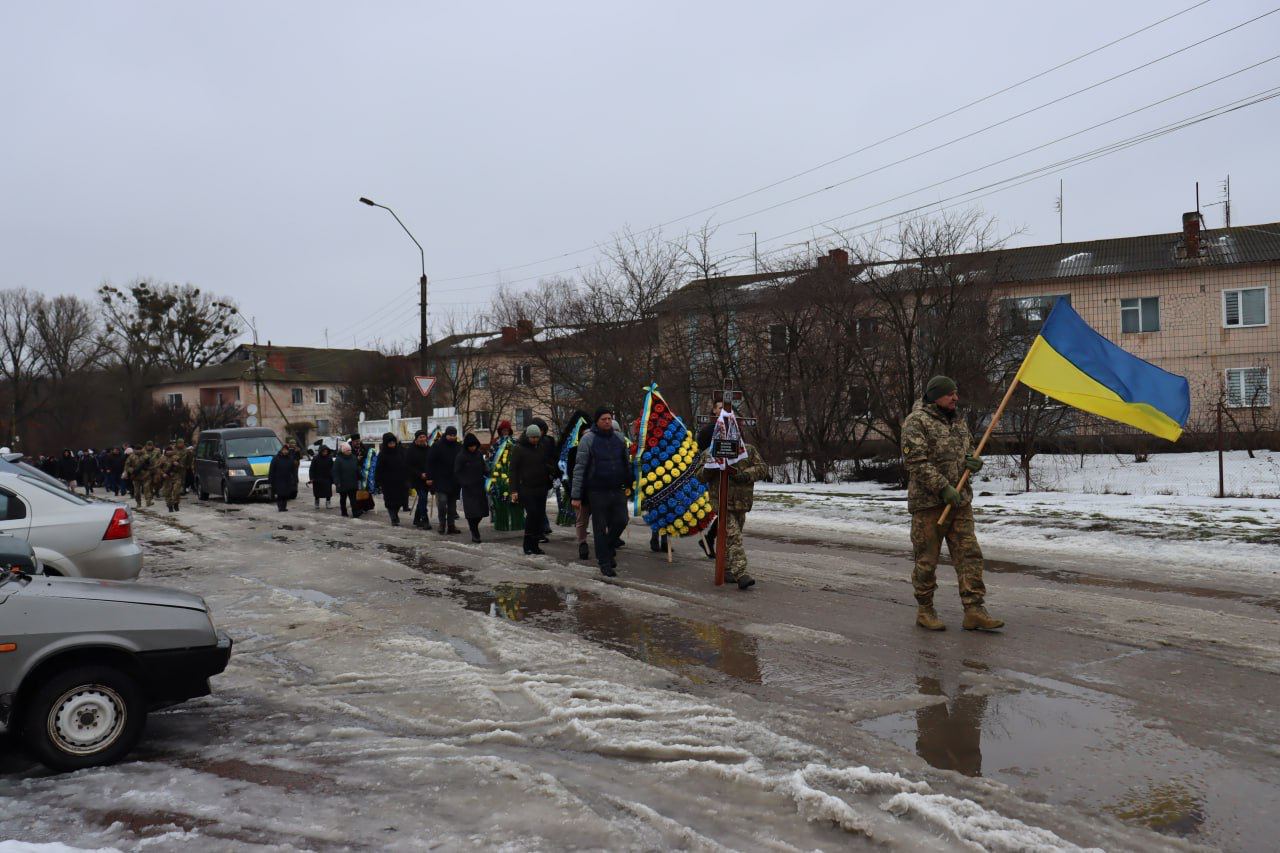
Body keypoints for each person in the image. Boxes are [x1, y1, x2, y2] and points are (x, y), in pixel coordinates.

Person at [901, 375, 1003, 633]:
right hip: (928, 505)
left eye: (956, 393)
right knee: (927, 559)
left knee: (970, 555)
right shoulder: (916, 422)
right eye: (950, 394)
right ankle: (925, 610)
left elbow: (969, 450)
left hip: (960, 502)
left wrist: (973, 462)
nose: (955, 398)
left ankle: (974, 610)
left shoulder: (958, 421)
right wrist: (943, 487)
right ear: (936, 396)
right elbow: (916, 462)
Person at [699, 432, 769, 590]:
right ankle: (741, 573)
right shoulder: (711, 453)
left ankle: (726, 569)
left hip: (741, 503)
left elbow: (762, 469)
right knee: (734, 536)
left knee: (729, 537)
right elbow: (700, 476)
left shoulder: (748, 451)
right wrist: (711, 469)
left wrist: (744, 475)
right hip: (722, 503)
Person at [571, 406, 631, 578]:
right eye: (603, 419)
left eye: (609, 418)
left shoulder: (619, 438)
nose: (607, 421)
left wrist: (629, 482)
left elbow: (625, 462)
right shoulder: (588, 439)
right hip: (597, 491)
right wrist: (576, 495)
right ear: (597, 421)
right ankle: (604, 562)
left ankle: (608, 547)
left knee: (621, 520)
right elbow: (580, 468)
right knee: (600, 527)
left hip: (616, 488)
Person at [510, 424, 557, 555]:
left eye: (537, 437)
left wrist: (551, 470)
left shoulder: (541, 447)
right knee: (532, 514)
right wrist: (513, 490)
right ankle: (527, 544)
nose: (535, 440)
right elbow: (513, 470)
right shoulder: (519, 449)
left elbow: (545, 463)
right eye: (533, 437)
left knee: (539, 516)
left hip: (541, 487)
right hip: (526, 488)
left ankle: (535, 544)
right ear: (528, 436)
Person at [696, 400, 724, 559]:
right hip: (713, 475)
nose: (723, 410)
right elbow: (702, 453)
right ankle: (709, 539)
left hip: (729, 475)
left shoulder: (732, 427)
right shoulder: (707, 430)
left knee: (725, 512)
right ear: (714, 410)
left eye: (726, 408)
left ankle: (710, 538)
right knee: (721, 510)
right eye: (719, 408)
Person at [454, 432, 490, 543]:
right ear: (466, 446)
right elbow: (457, 472)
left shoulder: (479, 454)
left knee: (481, 512)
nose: (473, 448)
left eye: (474, 446)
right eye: (470, 446)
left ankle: (474, 527)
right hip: (468, 488)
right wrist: (463, 482)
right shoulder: (461, 456)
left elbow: (484, 467)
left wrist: (489, 473)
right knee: (471, 512)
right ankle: (474, 532)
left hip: (479, 486)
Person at [428, 426, 462, 534]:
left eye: (454, 435)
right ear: (446, 435)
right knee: (442, 503)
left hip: (454, 480)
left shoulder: (459, 447)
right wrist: (430, 477)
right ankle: (442, 524)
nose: (452, 437)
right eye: (450, 435)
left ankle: (451, 525)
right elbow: (430, 462)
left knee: (452, 506)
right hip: (440, 479)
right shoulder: (437, 446)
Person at [531, 418, 558, 541]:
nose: (539, 432)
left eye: (541, 430)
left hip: (545, 476)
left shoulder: (547, 441)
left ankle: (542, 527)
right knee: (536, 505)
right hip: (533, 479)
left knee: (540, 505)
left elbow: (553, 457)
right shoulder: (529, 443)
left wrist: (552, 470)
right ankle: (541, 528)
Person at [374, 432, 409, 526]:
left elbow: (406, 464)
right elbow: (378, 469)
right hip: (388, 482)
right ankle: (393, 517)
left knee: (400, 501)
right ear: (386, 443)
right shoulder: (382, 454)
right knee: (390, 501)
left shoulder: (400, 451)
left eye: (393, 442)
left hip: (400, 481)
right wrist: (378, 481)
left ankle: (395, 513)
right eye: (390, 443)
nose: (392, 445)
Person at [564, 439, 590, 560]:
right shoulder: (574, 451)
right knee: (581, 519)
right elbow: (573, 473)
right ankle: (582, 542)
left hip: (596, 491)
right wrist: (574, 495)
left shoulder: (598, 447)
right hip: (581, 492)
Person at [407, 430, 433, 527]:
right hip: (416, 479)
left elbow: (432, 463)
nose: (422, 439)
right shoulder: (411, 450)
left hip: (427, 478)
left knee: (423, 499)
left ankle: (416, 519)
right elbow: (408, 466)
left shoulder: (429, 449)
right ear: (416, 438)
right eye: (420, 437)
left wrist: (430, 475)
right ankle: (424, 519)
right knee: (423, 498)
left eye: (424, 437)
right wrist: (419, 474)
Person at [333, 442, 362, 517]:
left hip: (352, 482)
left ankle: (355, 513)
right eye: (347, 450)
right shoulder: (338, 459)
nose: (349, 452)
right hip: (342, 484)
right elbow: (335, 472)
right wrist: (337, 482)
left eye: (350, 450)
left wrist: (360, 476)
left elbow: (357, 468)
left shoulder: (354, 457)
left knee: (353, 499)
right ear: (343, 451)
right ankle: (344, 512)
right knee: (343, 499)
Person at [268, 444, 298, 512]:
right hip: (278, 479)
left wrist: (295, 478)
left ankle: (284, 507)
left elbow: (293, 470)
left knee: (286, 494)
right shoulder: (276, 458)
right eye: (283, 450)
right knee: (280, 494)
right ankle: (280, 507)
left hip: (287, 479)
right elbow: (272, 470)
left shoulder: (290, 458)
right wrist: (270, 480)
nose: (285, 451)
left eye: (286, 450)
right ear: (281, 450)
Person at [160, 445, 185, 512]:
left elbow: (183, 467)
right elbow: (158, 468)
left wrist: (178, 464)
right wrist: (163, 474)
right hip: (167, 478)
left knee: (176, 491)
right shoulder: (162, 458)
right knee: (167, 493)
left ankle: (176, 503)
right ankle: (170, 506)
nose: (169, 452)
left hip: (176, 477)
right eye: (168, 451)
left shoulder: (176, 457)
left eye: (170, 451)